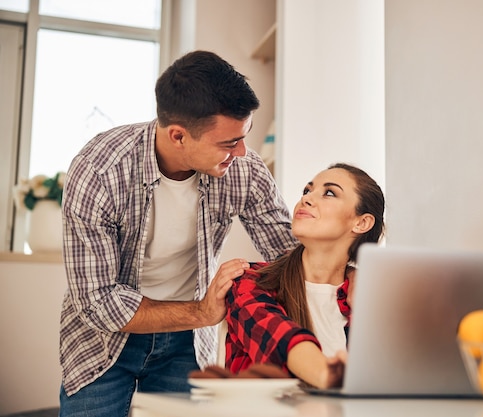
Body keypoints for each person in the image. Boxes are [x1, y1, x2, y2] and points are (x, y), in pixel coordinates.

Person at [58, 50, 299, 416]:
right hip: (102, 341)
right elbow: (97, 300)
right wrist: (202, 312)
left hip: (188, 344)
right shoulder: (99, 172)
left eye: (243, 136)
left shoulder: (243, 168)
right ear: (178, 136)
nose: (243, 151)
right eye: (228, 143)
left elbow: (288, 253)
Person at [224, 163, 385, 389]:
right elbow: (281, 341)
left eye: (329, 193)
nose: (306, 199)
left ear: (361, 222)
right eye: (307, 191)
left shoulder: (370, 295)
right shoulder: (249, 282)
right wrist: (330, 376)